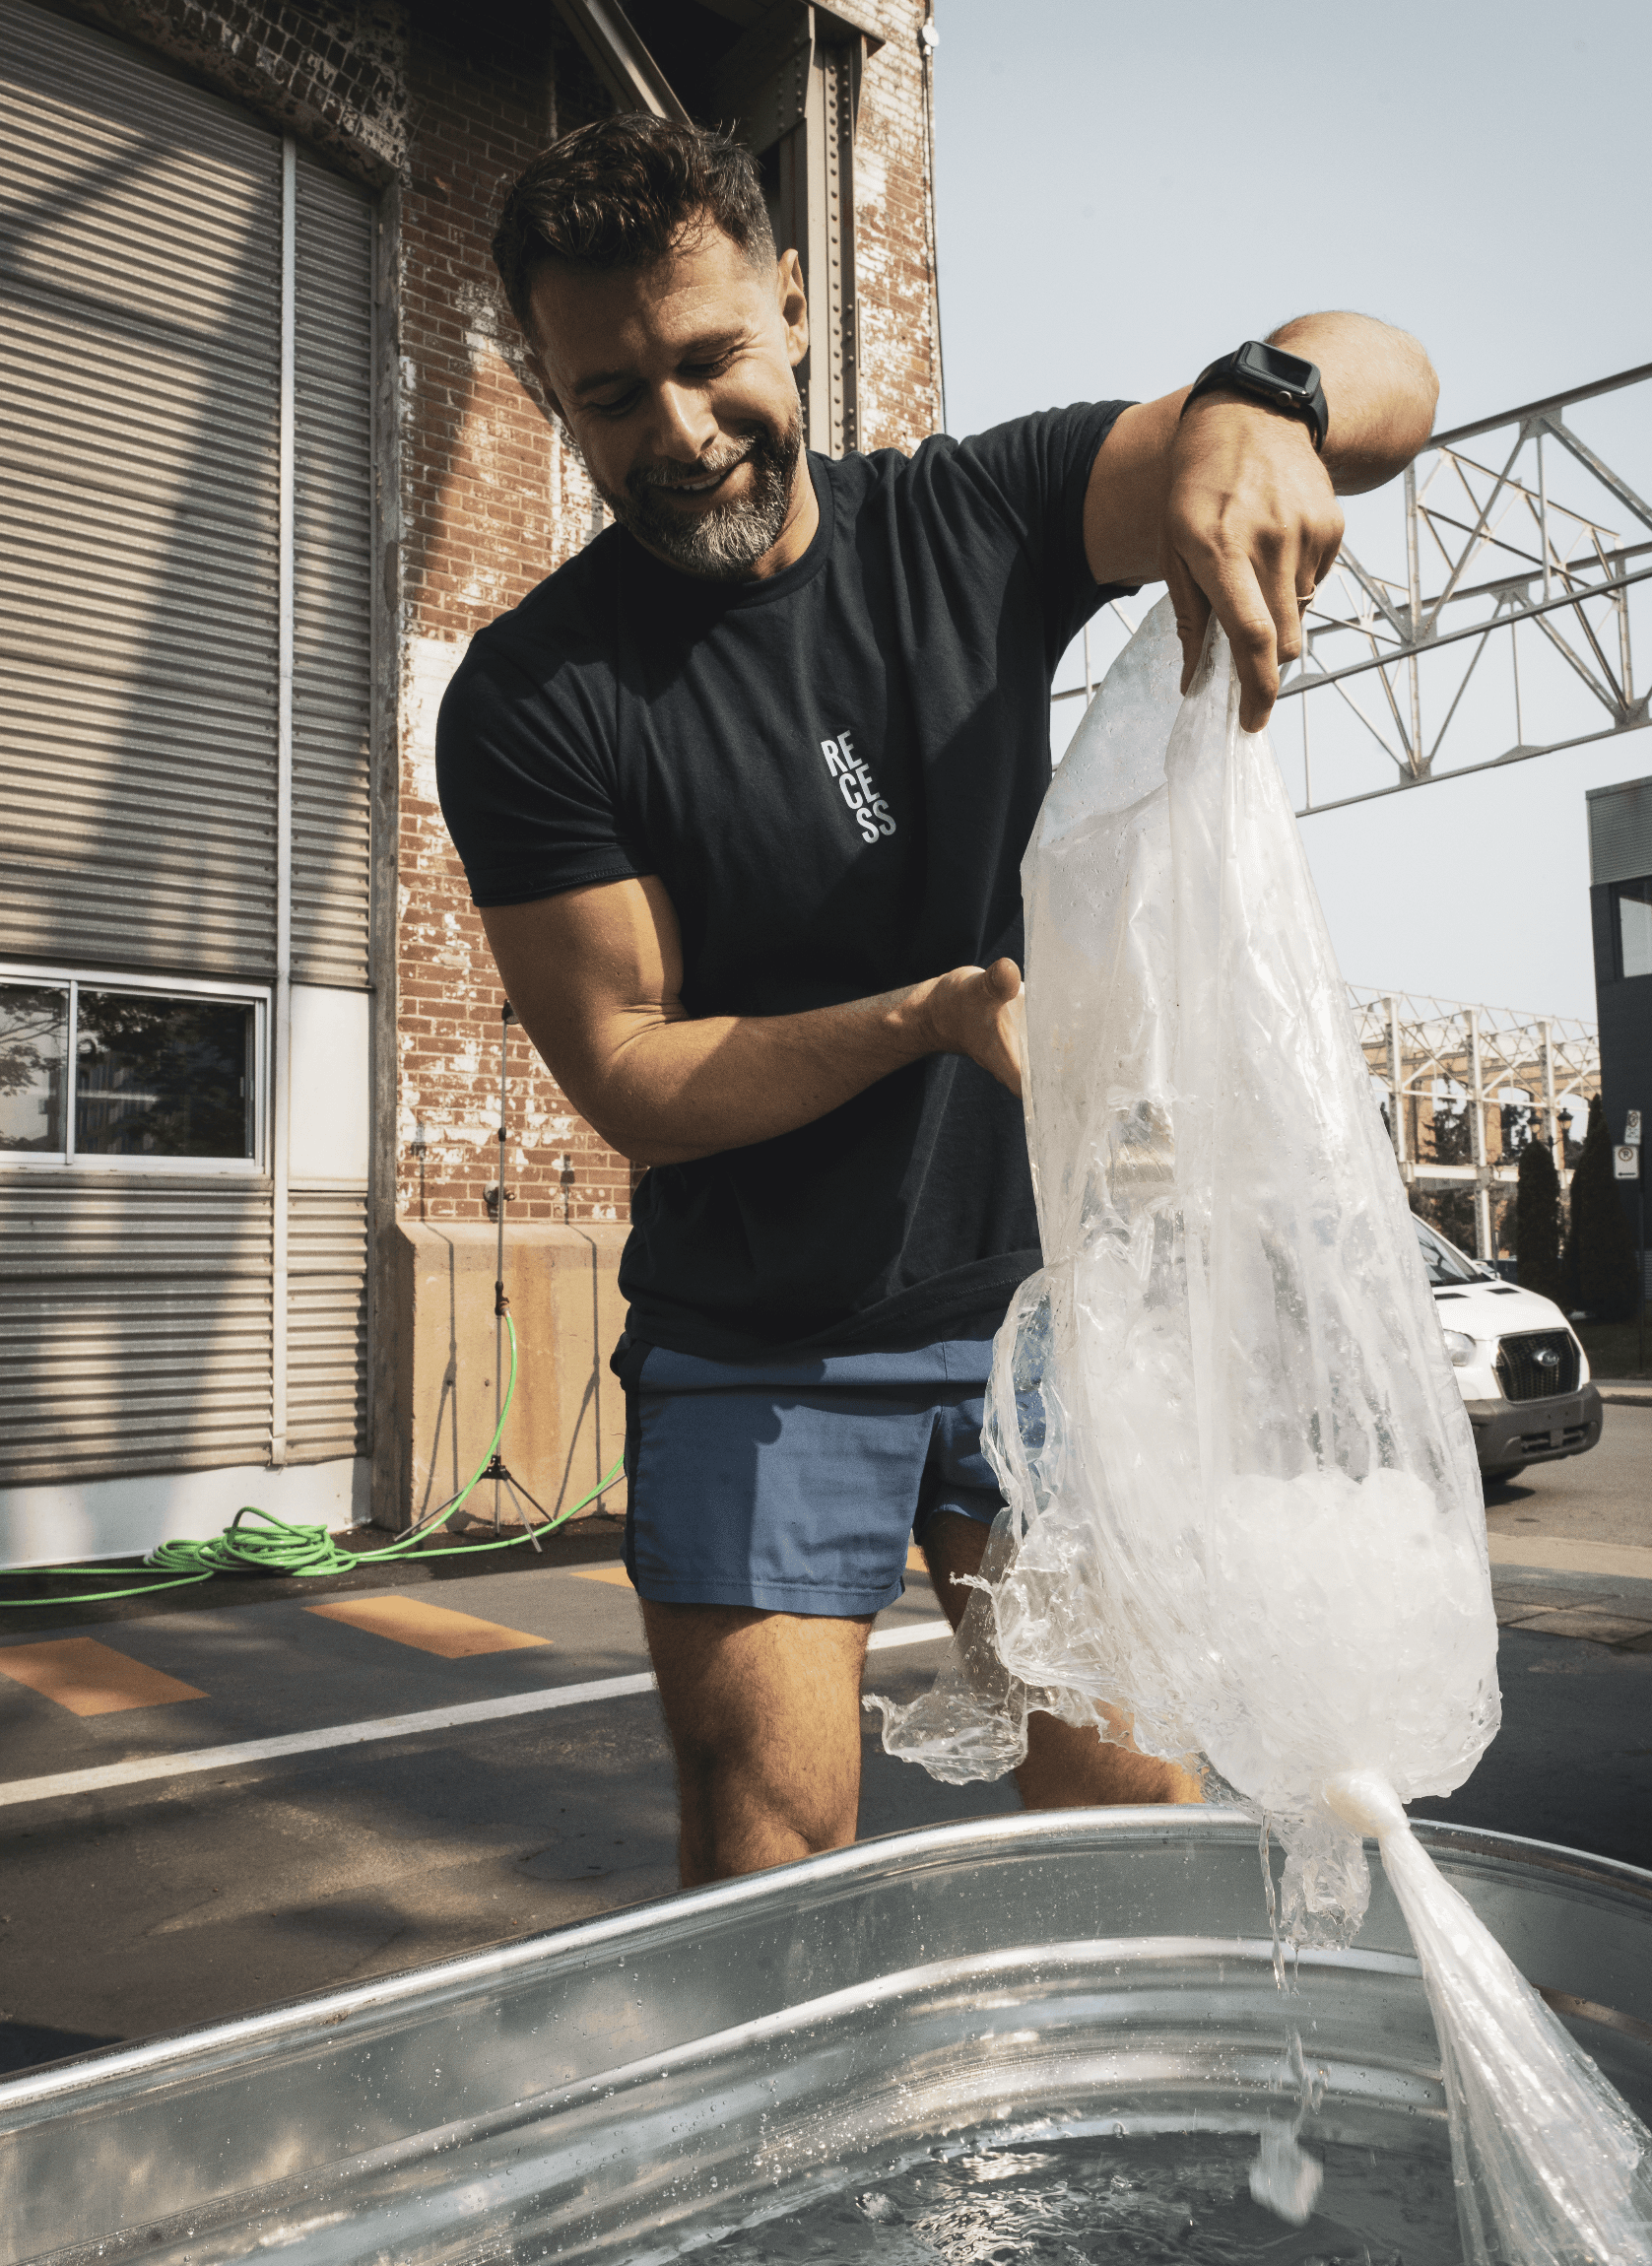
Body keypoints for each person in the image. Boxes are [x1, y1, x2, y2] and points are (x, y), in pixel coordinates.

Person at [436, 113, 1438, 1888]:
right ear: (548, 392)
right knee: (771, 1848)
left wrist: (1257, 405)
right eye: (608, 398)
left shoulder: (973, 520)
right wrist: (923, 1017)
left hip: (1040, 1324)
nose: (676, 434)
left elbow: (1396, 377)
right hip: (756, 1343)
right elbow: (632, 1072)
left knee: (1135, 1816)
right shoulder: (536, 698)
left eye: (711, 357)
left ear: (797, 306)